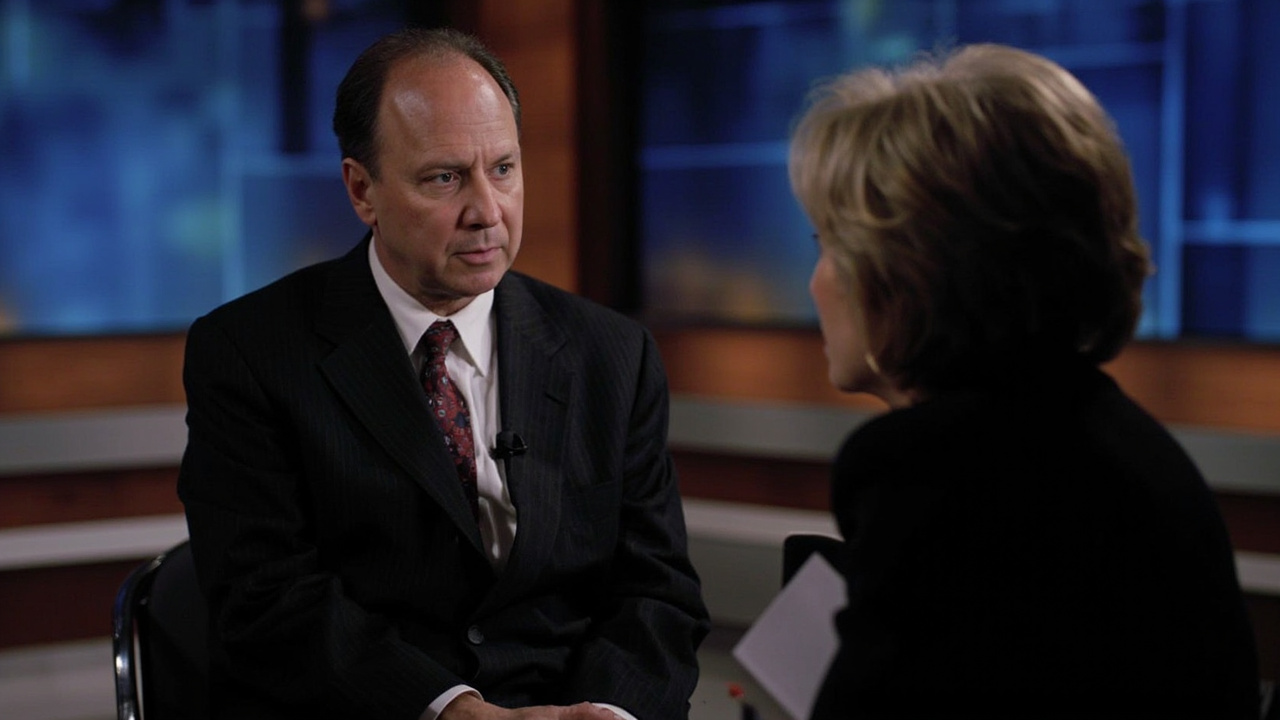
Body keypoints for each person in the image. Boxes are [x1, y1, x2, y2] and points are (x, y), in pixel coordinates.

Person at [177, 27, 708, 720]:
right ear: (361, 190)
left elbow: (657, 592)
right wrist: (451, 710)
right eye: (445, 177)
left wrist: (605, 713)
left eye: (504, 169)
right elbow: (266, 599)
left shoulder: (611, 354)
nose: (487, 212)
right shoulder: (250, 352)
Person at [788, 44, 1260, 718]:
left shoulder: (947, 475)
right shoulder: (1113, 439)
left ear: (912, 268)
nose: (817, 282)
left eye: (827, 244)